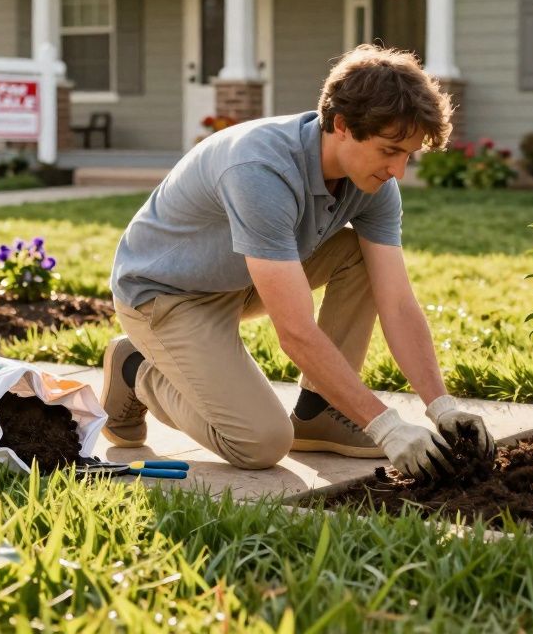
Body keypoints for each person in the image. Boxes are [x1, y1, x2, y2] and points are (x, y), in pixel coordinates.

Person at [101, 45, 495, 481]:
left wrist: (441, 406)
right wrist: (385, 425)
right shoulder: (260, 170)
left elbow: (397, 302)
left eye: (408, 154)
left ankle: (319, 411)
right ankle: (136, 368)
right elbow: (295, 332)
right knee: (261, 442)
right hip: (166, 295)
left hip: (240, 276)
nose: (399, 170)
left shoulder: (373, 183)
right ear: (342, 125)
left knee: (358, 255)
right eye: (389, 151)